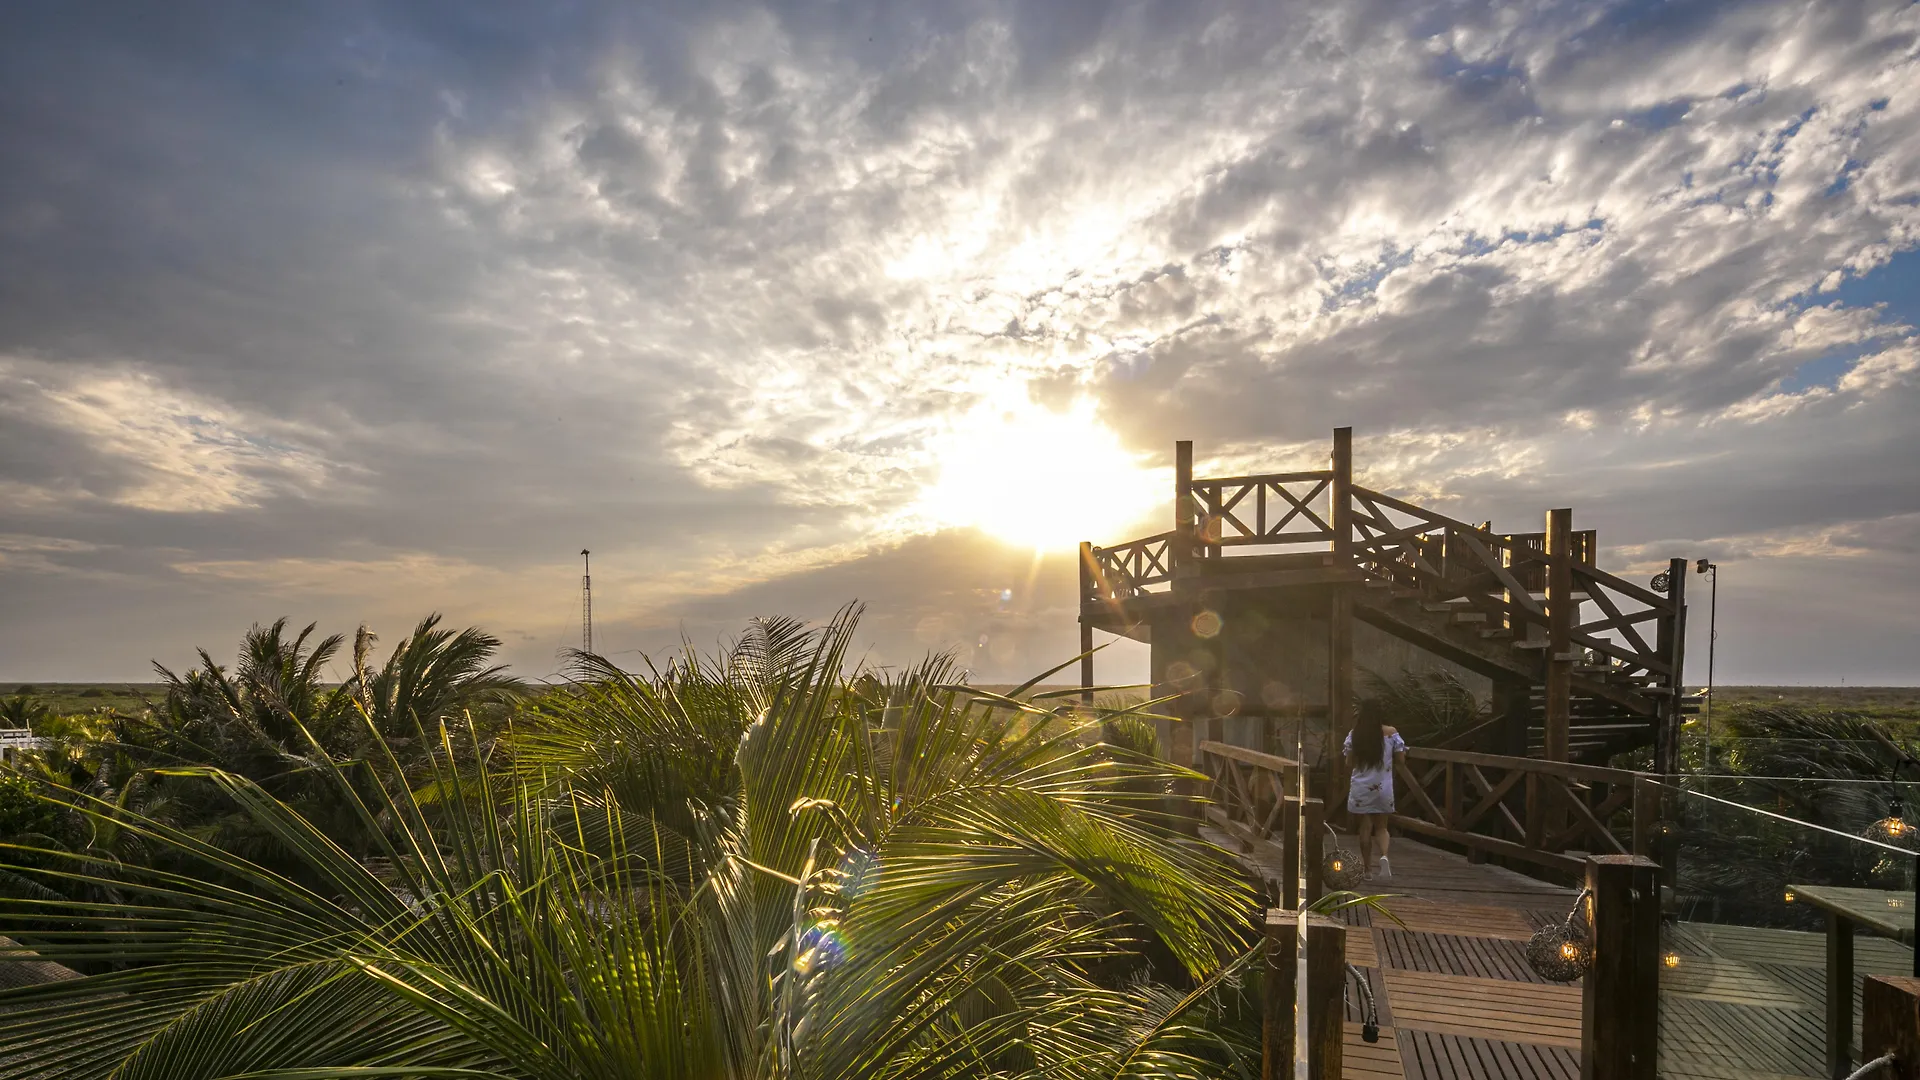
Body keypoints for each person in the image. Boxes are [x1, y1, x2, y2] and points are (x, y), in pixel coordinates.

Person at [1343, 705, 1408, 882]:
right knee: (1382, 827)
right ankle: (1385, 856)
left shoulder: (1355, 734)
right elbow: (1401, 760)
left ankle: (1367, 870)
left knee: (1365, 828)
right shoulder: (1391, 733)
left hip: (1361, 787)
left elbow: (1349, 763)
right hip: (1382, 787)